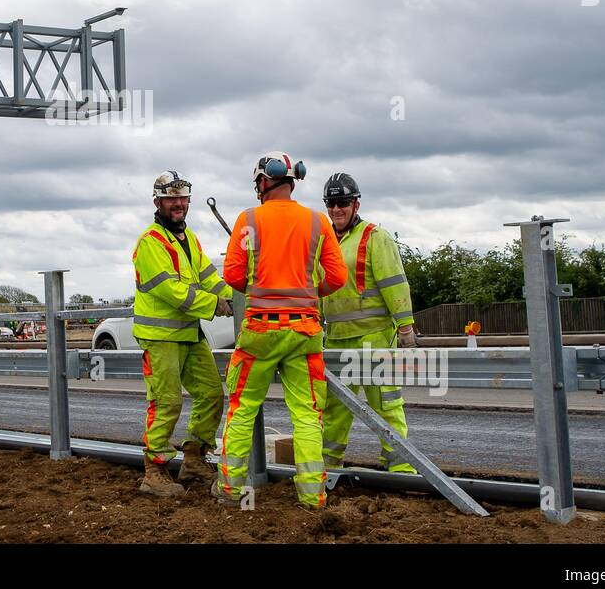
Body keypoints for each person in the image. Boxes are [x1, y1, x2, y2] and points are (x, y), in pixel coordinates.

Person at [213, 152, 347, 510]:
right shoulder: (317, 221)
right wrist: (307, 294)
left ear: (263, 182)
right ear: (292, 181)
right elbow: (337, 277)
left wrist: (260, 289)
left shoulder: (248, 219)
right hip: (304, 332)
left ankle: (231, 491)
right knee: (307, 415)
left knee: (242, 410)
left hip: (260, 329)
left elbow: (233, 275)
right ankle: (312, 496)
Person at [131, 170, 233, 497]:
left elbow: (209, 277)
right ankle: (154, 471)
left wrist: (234, 296)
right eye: (171, 199)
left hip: (189, 333)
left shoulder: (187, 238)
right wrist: (215, 304)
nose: (178, 204)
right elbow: (171, 291)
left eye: (182, 198)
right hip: (160, 338)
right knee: (167, 402)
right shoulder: (151, 242)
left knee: (212, 394)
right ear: (157, 202)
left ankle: (194, 459)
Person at [319, 172, 418, 474]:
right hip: (336, 338)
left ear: (356, 204)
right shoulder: (323, 242)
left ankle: (401, 469)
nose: (337, 209)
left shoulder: (375, 237)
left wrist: (405, 326)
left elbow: (394, 282)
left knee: (385, 404)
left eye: (343, 202)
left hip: (374, 337)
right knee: (335, 408)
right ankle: (328, 467)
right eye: (331, 203)